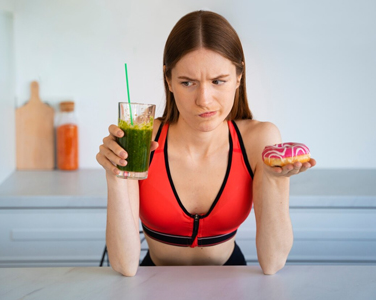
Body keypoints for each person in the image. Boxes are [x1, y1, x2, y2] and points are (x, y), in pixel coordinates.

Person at [96, 10, 316, 277]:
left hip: (230, 278)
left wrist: (276, 179)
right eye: (188, 82)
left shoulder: (258, 139)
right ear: (169, 80)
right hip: (154, 282)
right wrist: (115, 176)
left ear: (238, 77)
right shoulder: (142, 137)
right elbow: (124, 265)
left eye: (218, 81)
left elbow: (273, 262)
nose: (204, 99)